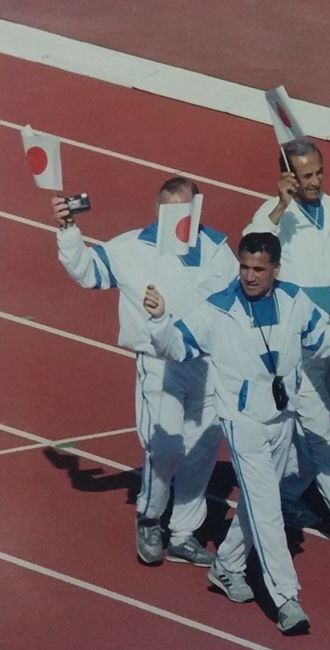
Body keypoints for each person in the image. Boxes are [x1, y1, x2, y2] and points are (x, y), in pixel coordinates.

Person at [142, 232, 330, 635]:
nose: (249, 276)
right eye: (244, 267)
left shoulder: (296, 300)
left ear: (276, 270)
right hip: (242, 424)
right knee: (267, 508)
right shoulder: (217, 309)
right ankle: (286, 597)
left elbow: (320, 340)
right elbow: (175, 346)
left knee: (257, 504)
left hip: (283, 418)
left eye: (258, 269)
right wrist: (158, 319)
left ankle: (227, 565)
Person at [53, 177, 237, 568]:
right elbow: (88, 272)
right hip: (160, 366)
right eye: (173, 210)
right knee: (166, 448)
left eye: (188, 209)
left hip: (208, 365)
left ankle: (184, 532)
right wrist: (69, 229)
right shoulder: (129, 248)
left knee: (203, 450)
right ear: (159, 210)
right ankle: (150, 517)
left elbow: (234, 303)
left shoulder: (218, 250)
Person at [242, 138, 330, 549]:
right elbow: (252, 250)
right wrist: (280, 208)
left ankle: (286, 492)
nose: (315, 182)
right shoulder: (271, 215)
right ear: (287, 177)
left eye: (319, 173)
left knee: (320, 424)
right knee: (318, 426)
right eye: (306, 175)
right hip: (298, 338)